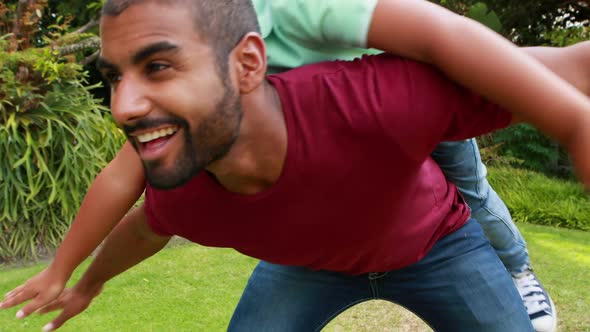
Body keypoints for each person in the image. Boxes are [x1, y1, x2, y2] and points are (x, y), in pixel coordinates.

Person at [3, 0, 590, 330]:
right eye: (115, 79)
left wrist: (572, 121)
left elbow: (558, 66)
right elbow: (144, 225)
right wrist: (83, 280)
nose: (122, 107)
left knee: (474, 185)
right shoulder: (186, 180)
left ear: (249, 61)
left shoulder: (374, 99)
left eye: (158, 67)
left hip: (435, 247)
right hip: (306, 266)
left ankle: (517, 267)